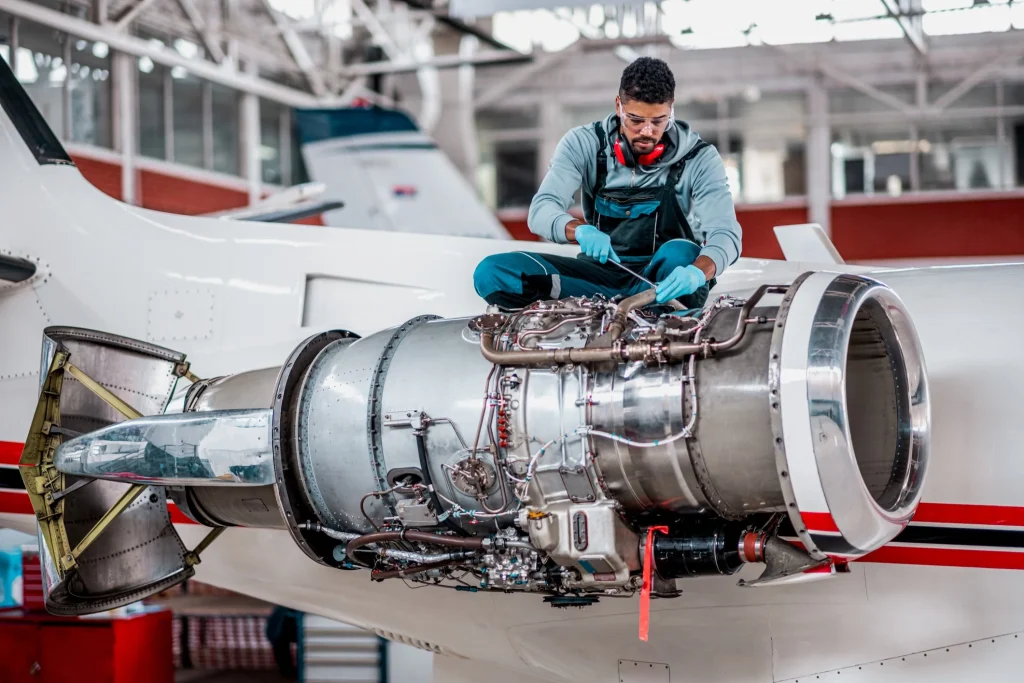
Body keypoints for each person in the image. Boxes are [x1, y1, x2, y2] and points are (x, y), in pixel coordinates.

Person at [474, 57, 741, 310]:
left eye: (658, 121)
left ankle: (658, 322)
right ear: (618, 106)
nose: (647, 131)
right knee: (493, 272)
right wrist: (577, 230)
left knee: (680, 253)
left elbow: (726, 233)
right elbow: (541, 210)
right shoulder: (583, 144)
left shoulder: (700, 158)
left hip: (663, 285)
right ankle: (588, 317)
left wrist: (698, 272)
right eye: (635, 120)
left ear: (671, 110)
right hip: (598, 279)